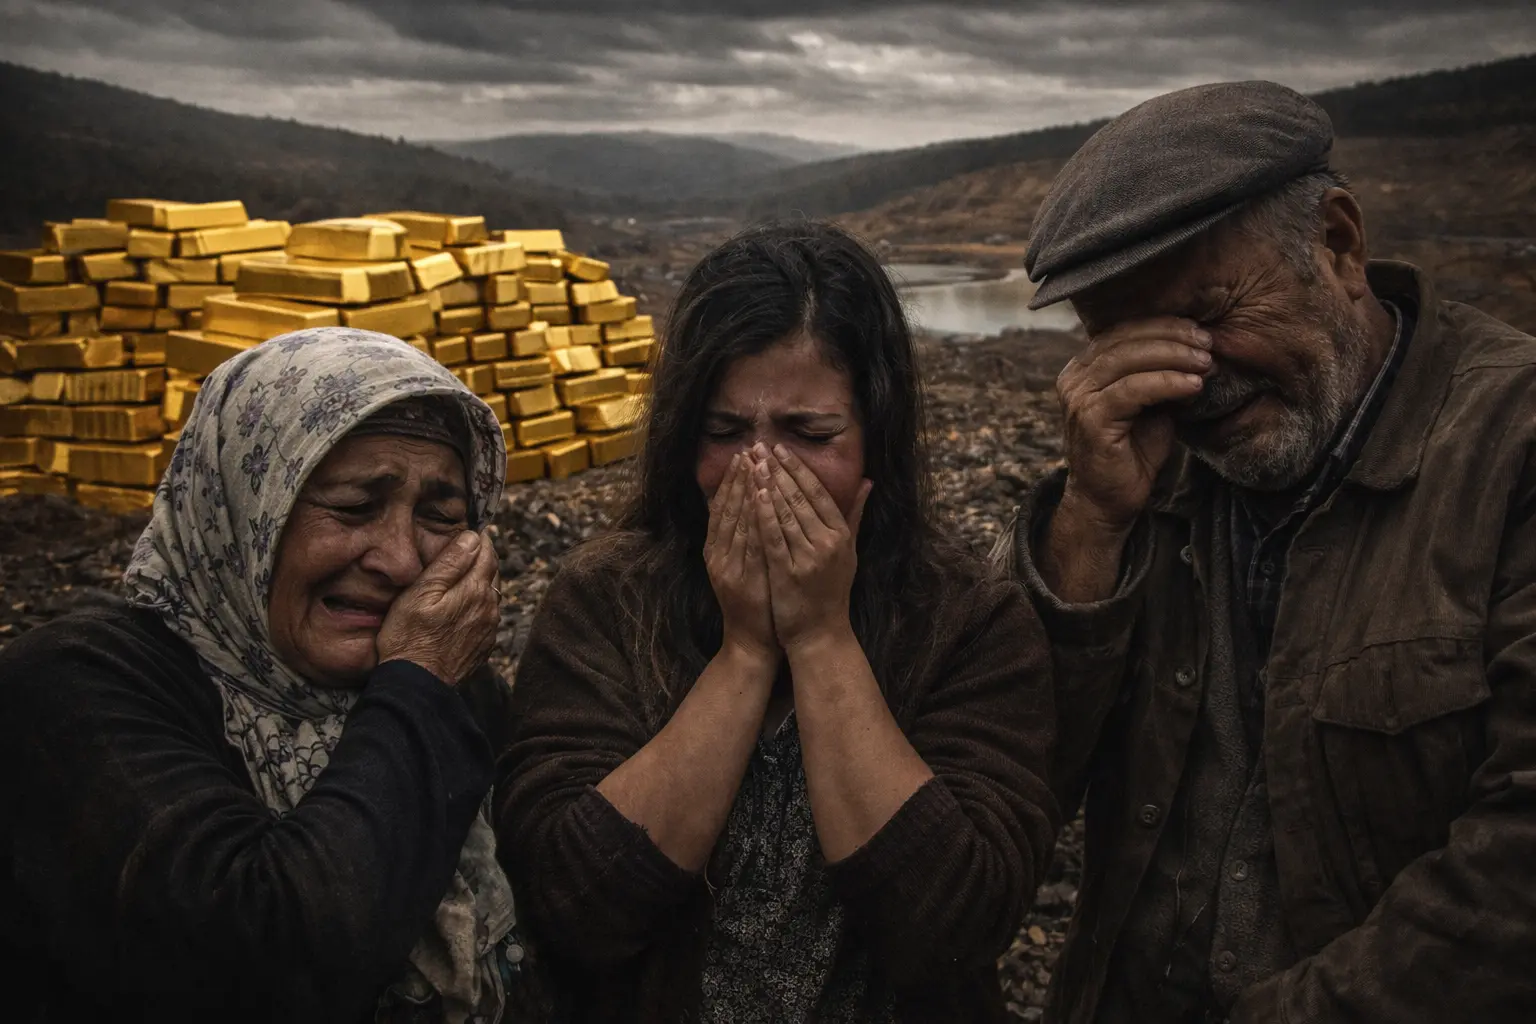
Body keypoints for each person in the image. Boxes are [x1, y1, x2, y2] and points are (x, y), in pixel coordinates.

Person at [995, 80, 1536, 1023]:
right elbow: (1004, 780)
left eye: (1211, 312)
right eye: (1129, 343)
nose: (1189, 378)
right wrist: (1089, 521)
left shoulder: (1511, 449)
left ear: (1339, 244)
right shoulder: (1136, 467)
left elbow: (1514, 878)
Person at [496, 221, 1059, 1022]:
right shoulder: (604, 599)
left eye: (809, 433)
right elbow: (577, 905)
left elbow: (953, 931)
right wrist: (747, 651)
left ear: (876, 440)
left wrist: (823, 636)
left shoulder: (971, 621)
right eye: (725, 433)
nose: (760, 471)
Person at [0, 326, 530, 1023]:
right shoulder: (76, 687)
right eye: (352, 506)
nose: (401, 560)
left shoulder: (447, 689)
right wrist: (419, 685)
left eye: (440, 515)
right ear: (243, 510)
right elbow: (270, 957)